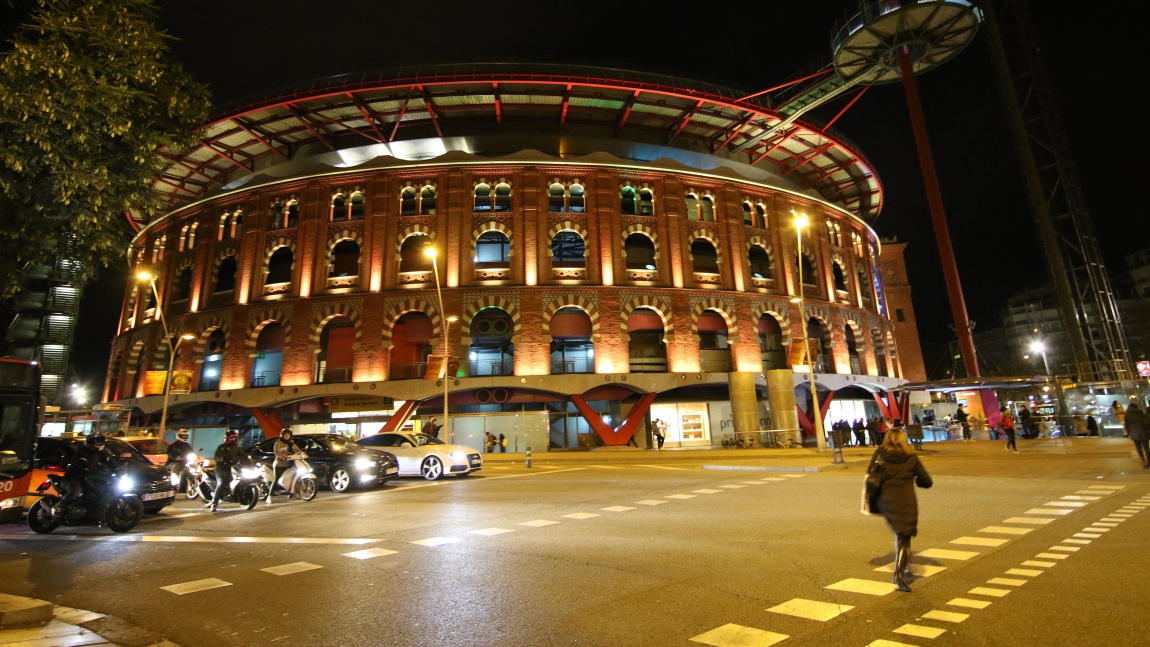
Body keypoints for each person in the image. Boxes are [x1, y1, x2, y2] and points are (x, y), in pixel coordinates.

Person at [866, 426, 932, 593]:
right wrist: (917, 481)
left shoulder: (881, 455)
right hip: (907, 501)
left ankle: (902, 565)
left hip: (887, 501)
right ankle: (900, 572)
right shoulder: (911, 457)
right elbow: (926, 480)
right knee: (904, 534)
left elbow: (873, 473)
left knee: (900, 532)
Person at [55, 433, 114, 517]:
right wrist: (92, 469)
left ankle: (98, 511)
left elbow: (109, 461)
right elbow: (81, 462)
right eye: (98, 442)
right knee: (76, 490)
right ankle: (59, 505)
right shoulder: (82, 451)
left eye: (101, 442)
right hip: (74, 477)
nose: (100, 444)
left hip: (89, 477)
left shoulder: (100, 453)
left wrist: (119, 468)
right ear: (91, 442)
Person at [211, 429, 252, 510]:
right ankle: (214, 503)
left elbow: (243, 456)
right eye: (231, 437)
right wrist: (222, 459)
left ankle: (239, 498)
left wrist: (250, 459)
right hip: (221, 468)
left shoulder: (237, 448)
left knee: (241, 480)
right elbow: (217, 457)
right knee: (221, 483)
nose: (233, 439)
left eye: (234, 437)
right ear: (227, 438)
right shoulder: (221, 447)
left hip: (232, 468)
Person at [273, 428, 302, 497]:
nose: (287, 436)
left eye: (288, 435)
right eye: (285, 435)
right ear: (282, 435)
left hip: (289, 463)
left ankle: (292, 494)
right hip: (279, 464)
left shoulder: (291, 443)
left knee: (291, 478)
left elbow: (297, 449)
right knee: (276, 479)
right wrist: (284, 456)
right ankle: (270, 495)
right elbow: (276, 452)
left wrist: (302, 454)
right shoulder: (278, 442)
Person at [1124, 402, 1149, 469]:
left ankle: (1142, 460)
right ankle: (1148, 461)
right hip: (1143, 432)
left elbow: (1126, 425)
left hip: (1134, 433)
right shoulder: (1139, 412)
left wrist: (1129, 433)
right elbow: (1145, 421)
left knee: (1138, 448)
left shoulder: (1127, 414)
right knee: (1146, 448)